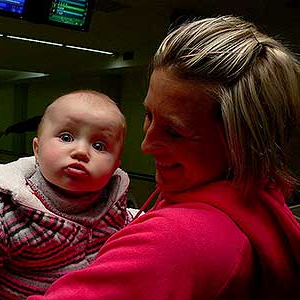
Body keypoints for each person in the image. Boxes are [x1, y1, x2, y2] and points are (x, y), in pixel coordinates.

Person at [25, 16, 300, 300]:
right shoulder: (260, 204)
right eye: (149, 115)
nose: (146, 144)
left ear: (242, 143)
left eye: (175, 133)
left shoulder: (176, 242)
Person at [0, 90, 136, 299]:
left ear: (116, 165)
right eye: (66, 137)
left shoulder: (117, 213)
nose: (80, 151)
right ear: (37, 150)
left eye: (99, 145)